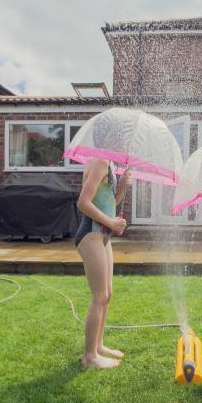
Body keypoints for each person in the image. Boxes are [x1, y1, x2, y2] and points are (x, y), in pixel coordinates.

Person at [75, 158, 131, 370]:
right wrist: (112, 223)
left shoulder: (109, 164)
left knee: (107, 294)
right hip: (91, 234)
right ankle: (89, 357)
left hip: (103, 236)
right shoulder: (99, 162)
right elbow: (83, 203)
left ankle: (98, 345)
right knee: (99, 296)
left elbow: (110, 203)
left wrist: (123, 187)